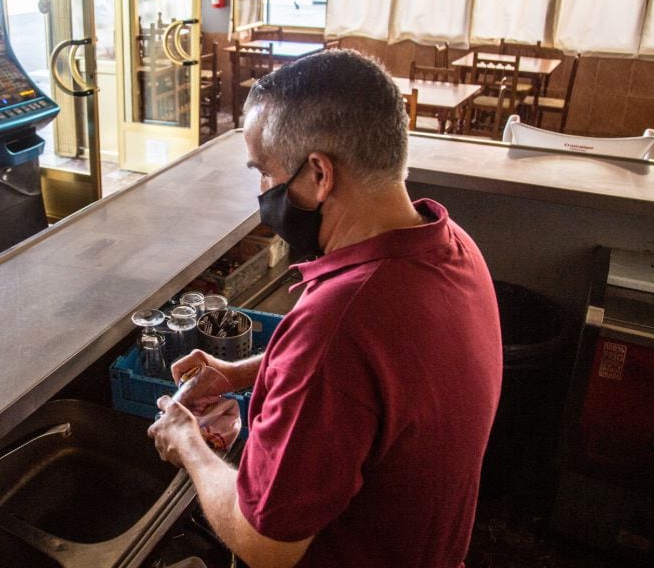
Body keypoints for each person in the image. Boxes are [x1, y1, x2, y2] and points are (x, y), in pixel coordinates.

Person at [149, 49, 503, 568]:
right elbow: (379, 387)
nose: (264, 191)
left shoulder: (340, 322)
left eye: (266, 173)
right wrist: (239, 373)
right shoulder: (453, 247)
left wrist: (188, 444)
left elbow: (266, 544)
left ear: (319, 173)